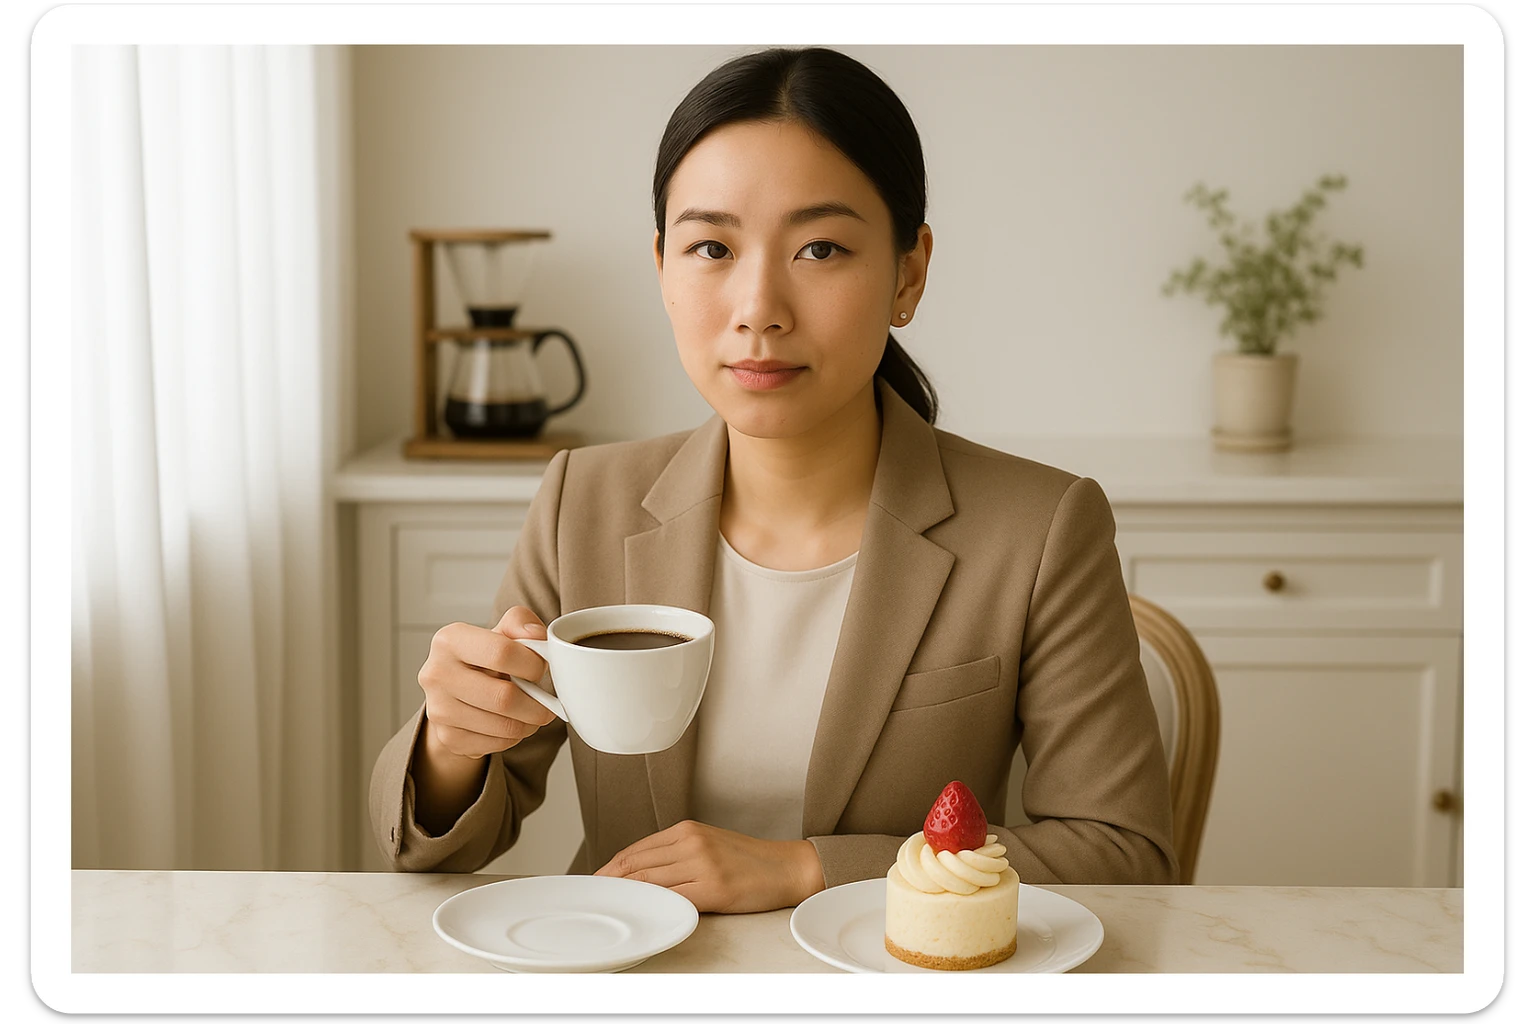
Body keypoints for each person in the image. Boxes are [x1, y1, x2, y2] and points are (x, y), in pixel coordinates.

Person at [369, 46, 1178, 913]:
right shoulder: (585, 502)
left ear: (908, 272)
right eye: (711, 246)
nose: (758, 307)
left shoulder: (1039, 527)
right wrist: (452, 746)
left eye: (821, 248)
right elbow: (434, 849)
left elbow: (1122, 856)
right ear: (662, 270)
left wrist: (807, 870)